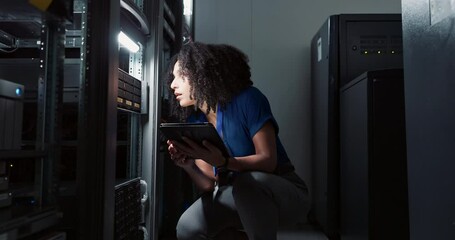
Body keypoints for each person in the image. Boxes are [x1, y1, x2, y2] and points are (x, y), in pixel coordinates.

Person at [164, 41, 310, 240]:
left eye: (180, 76)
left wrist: (224, 162)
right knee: (188, 227)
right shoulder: (195, 121)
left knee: (246, 183)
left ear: (202, 74)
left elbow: (268, 160)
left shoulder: (249, 99)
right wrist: (188, 165)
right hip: (236, 196)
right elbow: (209, 185)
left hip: (283, 194)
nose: (173, 84)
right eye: (173, 78)